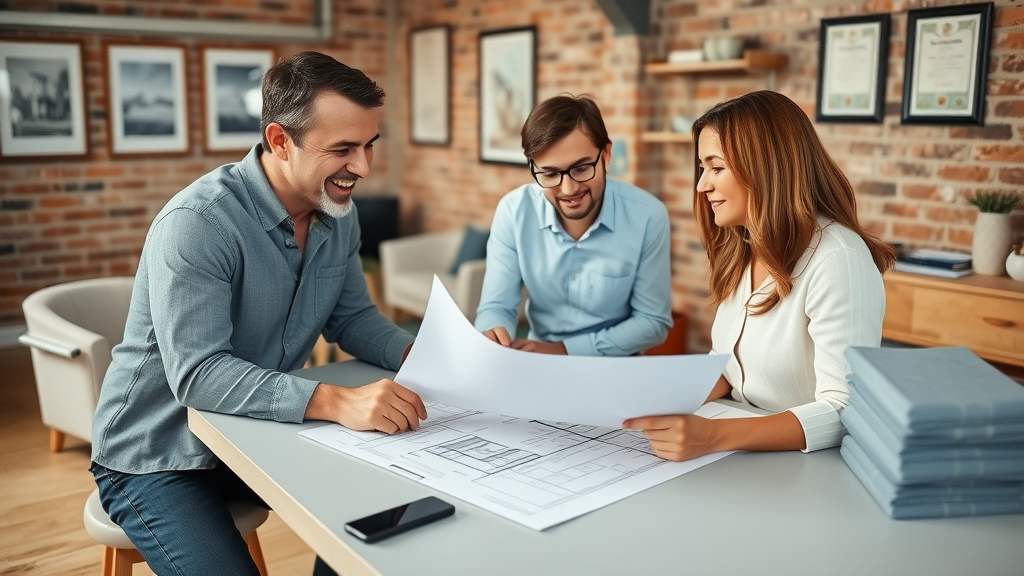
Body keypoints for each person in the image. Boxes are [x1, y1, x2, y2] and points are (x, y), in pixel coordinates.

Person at [89, 52, 426, 575]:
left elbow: (352, 318)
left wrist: (424, 354)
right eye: (342, 149)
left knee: (383, 523)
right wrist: (336, 400)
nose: (362, 167)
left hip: (251, 433)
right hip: (158, 453)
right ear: (278, 141)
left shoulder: (340, 212)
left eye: (368, 146)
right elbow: (199, 374)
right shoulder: (198, 223)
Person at [624, 91, 896, 461]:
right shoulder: (743, 246)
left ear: (764, 168)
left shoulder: (839, 259)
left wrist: (714, 435)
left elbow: (845, 408)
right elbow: (731, 365)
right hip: (743, 450)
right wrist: (662, 398)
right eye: (702, 168)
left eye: (716, 167)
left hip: (807, 467)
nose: (702, 184)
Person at [474, 94, 672, 356]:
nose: (568, 189)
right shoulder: (513, 212)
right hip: (537, 362)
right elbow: (496, 306)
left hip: (615, 367)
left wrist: (564, 350)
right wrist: (494, 333)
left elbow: (652, 322)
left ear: (606, 155)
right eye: (550, 173)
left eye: (581, 168)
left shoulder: (648, 216)